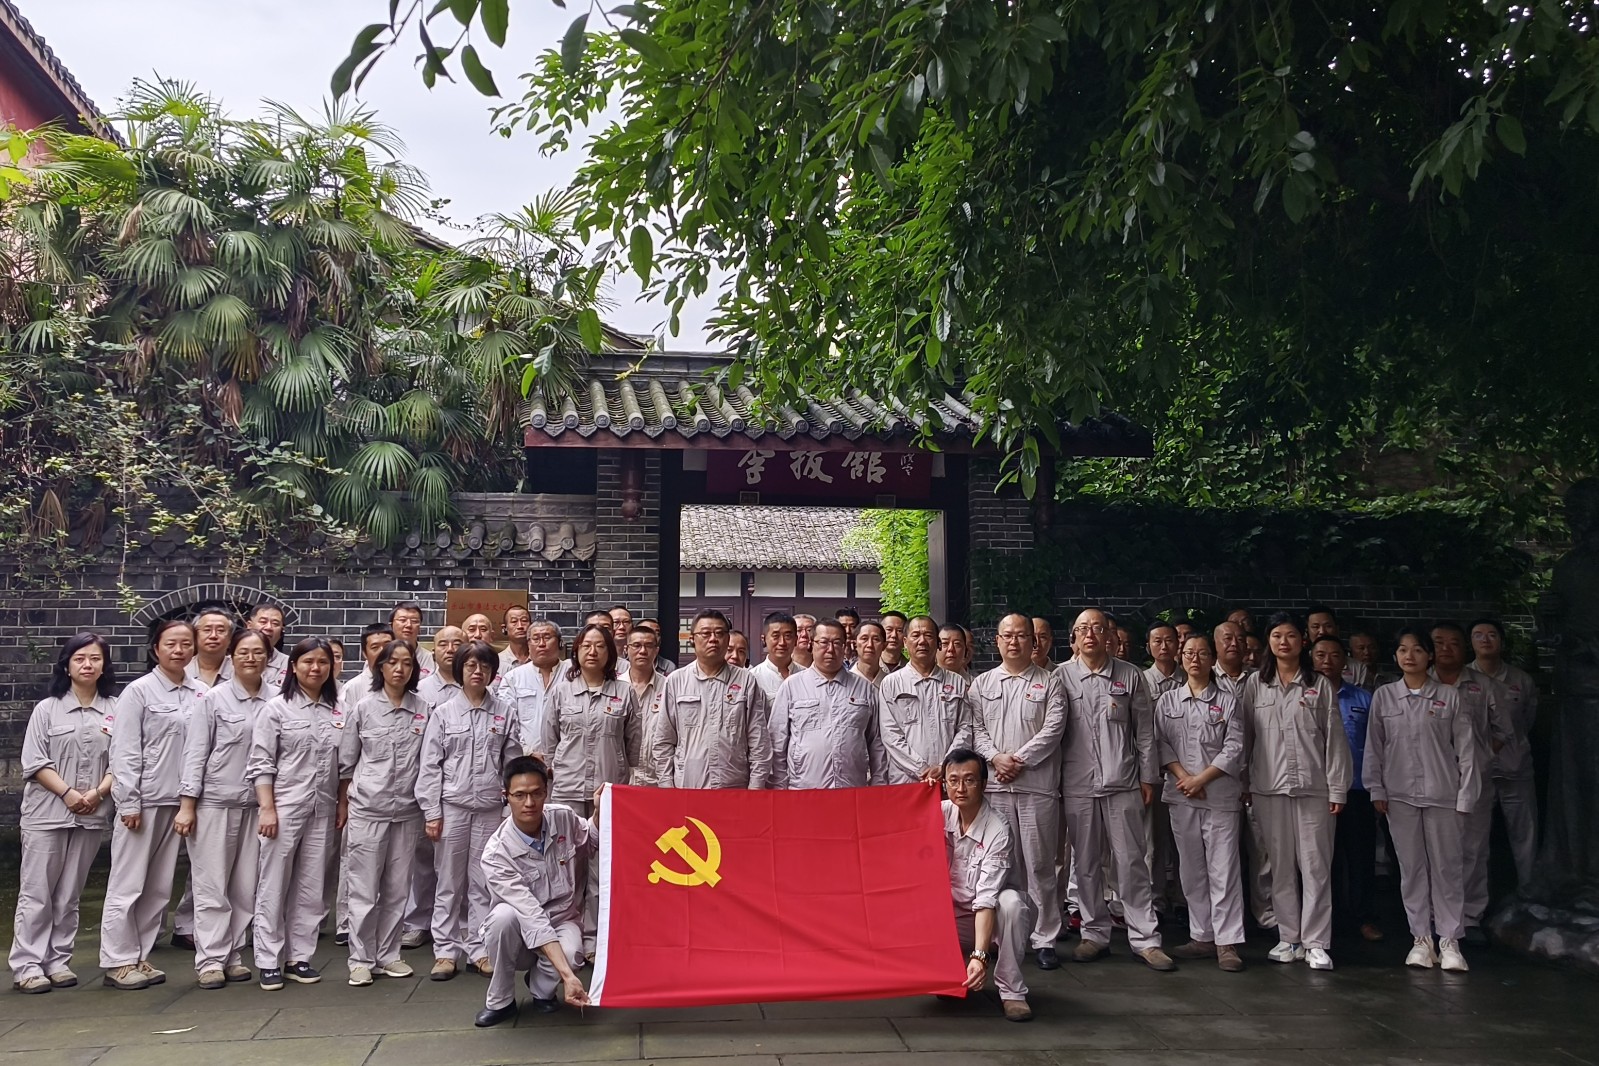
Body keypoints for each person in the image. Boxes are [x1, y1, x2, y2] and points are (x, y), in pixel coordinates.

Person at [1057, 608, 1173, 971]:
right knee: (1086, 862)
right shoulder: (1060, 677)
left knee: (1131, 861)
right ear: (1074, 637)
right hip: (1077, 784)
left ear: (1110, 635)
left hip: (1122, 782)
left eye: (1098, 628)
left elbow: (1145, 732)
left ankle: (1146, 938)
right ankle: (1094, 933)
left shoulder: (1130, 675)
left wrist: (1148, 778)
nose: (1090, 634)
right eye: (1083, 629)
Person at [1240, 612, 1353, 971]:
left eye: (1290, 635)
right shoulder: (1256, 684)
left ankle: (1316, 941)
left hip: (1313, 789)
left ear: (1302, 641)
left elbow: (1335, 739)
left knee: (1316, 866)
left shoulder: (1318, 684)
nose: (1283, 642)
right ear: (1268, 642)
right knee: (1280, 867)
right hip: (1269, 788)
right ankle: (1289, 937)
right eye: (1276, 636)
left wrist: (1337, 789)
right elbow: (1246, 738)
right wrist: (1245, 783)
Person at [100, 619, 206, 990]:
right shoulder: (139, 691)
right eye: (171, 643)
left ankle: (140, 955)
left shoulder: (201, 693)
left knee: (159, 887)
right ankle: (118, 960)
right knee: (127, 883)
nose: (179, 650)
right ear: (155, 648)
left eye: (185, 644)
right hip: (143, 803)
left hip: (179, 802)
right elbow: (125, 750)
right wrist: (128, 801)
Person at [1365, 628, 1479, 972]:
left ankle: (1450, 941)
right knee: (1411, 870)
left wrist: (1466, 797)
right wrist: (1376, 789)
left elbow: (1467, 750)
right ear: (1396, 656)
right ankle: (1421, 940)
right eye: (1402, 650)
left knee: (1447, 868)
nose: (1409, 656)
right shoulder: (1385, 696)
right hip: (1399, 796)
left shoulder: (1449, 696)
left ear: (1429, 656)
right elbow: (1375, 747)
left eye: (1417, 650)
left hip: (1443, 795)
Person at [9, 633, 117, 994]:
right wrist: (68, 793)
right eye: (80, 658)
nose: (88, 665)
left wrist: (97, 793)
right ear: (67, 665)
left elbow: (123, 760)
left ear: (104, 666)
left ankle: (58, 960)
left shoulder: (116, 709)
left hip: (91, 813)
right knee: (37, 892)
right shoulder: (47, 709)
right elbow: (35, 761)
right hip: (46, 813)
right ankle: (28, 965)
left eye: (95, 659)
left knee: (70, 893)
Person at [968, 614, 1067, 966]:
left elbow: (1053, 730)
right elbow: (976, 729)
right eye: (1007, 636)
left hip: (1036, 787)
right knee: (1000, 864)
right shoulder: (981, 684)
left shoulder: (1051, 683)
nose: (1014, 642)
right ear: (997, 641)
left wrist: (1017, 760)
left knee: (1041, 864)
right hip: (995, 788)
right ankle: (1003, 936)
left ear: (1033, 641)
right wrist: (996, 758)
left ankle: (1044, 937)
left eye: (1022, 636)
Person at [419, 640, 520, 980]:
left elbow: (511, 765)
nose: (478, 672)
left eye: (485, 666)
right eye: (471, 666)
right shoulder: (444, 712)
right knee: (448, 882)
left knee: (483, 881)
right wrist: (432, 812)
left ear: (493, 672)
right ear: (460, 669)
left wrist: (508, 810)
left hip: (490, 809)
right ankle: (445, 952)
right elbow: (430, 766)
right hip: (453, 808)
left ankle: (479, 949)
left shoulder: (505, 712)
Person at [176, 629, 271, 988]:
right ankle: (211, 960)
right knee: (212, 885)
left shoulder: (277, 699)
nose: (251, 658)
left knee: (246, 886)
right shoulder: (212, 699)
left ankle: (234, 954)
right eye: (244, 652)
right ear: (232, 656)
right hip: (215, 803)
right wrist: (187, 805)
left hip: (256, 806)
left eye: (258, 652)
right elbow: (195, 753)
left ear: (268, 657)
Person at [540, 624, 639, 958]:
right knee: (567, 865)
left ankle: (595, 939)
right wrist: (560, 768)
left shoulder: (624, 693)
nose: (592, 651)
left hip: (607, 792)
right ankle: (565, 936)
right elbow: (549, 741)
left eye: (600, 646)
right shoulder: (561, 692)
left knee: (600, 868)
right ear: (576, 651)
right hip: (567, 790)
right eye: (586, 645)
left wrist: (618, 772)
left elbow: (634, 744)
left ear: (611, 653)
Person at [473, 757, 596, 1027]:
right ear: (506, 796)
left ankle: (541, 989)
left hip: (562, 918)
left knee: (572, 954)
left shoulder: (563, 816)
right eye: (519, 795)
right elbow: (530, 914)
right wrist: (568, 977)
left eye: (536, 793)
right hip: (519, 928)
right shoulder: (496, 853)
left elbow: (591, 840)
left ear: (546, 792)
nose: (529, 803)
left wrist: (599, 811)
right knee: (501, 918)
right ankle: (500, 1001)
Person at [247, 637, 341, 990]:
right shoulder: (276, 708)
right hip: (284, 807)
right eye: (308, 662)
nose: (315, 668)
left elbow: (345, 764)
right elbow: (261, 762)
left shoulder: (338, 709)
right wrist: (267, 808)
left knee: (312, 886)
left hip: (323, 808)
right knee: (274, 883)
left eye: (323, 662)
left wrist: (341, 804)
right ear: (293, 666)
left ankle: (299, 957)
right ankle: (268, 959)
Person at [338, 638, 427, 986]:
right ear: (380, 667)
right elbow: (347, 763)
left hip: (407, 811)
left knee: (397, 887)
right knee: (363, 888)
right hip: (368, 809)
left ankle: (389, 954)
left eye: (407, 663)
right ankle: (360, 958)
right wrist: (345, 803)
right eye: (393, 662)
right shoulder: (363, 708)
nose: (399, 669)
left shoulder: (423, 708)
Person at [1156, 633, 1247, 972]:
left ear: (1212, 659)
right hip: (1182, 794)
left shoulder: (1229, 700)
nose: (1195, 659)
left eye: (1202, 653)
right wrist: (1184, 777)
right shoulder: (1167, 701)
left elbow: (1235, 747)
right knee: (1191, 869)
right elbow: (1160, 743)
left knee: (1223, 868)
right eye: (1189, 653)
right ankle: (1202, 935)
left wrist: (1202, 779)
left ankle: (1227, 942)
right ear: (1181, 658)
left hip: (1218, 794)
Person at [1430, 621, 1512, 942]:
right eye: (1438, 642)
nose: (1446, 648)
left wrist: (1483, 758)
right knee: (1435, 851)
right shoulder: (1422, 683)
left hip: (1474, 780)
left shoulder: (1483, 685)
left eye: (1453, 642)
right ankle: (1436, 916)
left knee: (1474, 850)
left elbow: (1503, 729)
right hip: (1432, 779)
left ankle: (1470, 917)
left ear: (1464, 647)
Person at [941, 749, 1033, 1021]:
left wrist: (980, 954)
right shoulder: (939, 812)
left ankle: (1012, 991)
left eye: (969, 780)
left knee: (1011, 903)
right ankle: (951, 972)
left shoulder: (998, 829)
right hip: (952, 917)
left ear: (983, 784)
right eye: (953, 780)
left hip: (992, 920)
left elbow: (986, 899)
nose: (960, 788)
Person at [653, 610, 770, 789]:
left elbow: (759, 741)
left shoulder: (746, 681)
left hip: (734, 787)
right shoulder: (676, 681)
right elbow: (663, 741)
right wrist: (667, 788)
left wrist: (755, 789)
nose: (713, 639)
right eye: (706, 633)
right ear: (692, 639)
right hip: (688, 787)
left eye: (720, 633)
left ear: (727, 639)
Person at [400, 624, 464, 951]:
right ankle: (417, 922)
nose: (450, 649)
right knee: (423, 861)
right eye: (443, 644)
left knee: (459, 866)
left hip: (461, 790)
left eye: (457, 643)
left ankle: (461, 926)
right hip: (423, 786)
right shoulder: (420, 691)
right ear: (433, 650)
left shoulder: (479, 686)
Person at [1313, 636, 1382, 943]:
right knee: (1321, 860)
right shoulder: (1304, 696)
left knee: (1360, 857)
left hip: (1356, 789)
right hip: (1317, 792)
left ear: (1345, 660)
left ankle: (1364, 917)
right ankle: (1328, 920)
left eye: (1334, 655)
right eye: (1320, 655)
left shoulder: (1363, 698)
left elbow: (1376, 744)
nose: (1327, 661)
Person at [770, 618, 887, 788]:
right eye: (824, 642)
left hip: (852, 789)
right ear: (812, 644)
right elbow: (777, 742)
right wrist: (780, 788)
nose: (830, 649)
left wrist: (879, 784)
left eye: (837, 643)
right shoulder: (792, 686)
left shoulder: (864, 689)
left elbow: (877, 743)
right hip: (804, 789)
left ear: (845, 646)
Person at [1468, 618, 1539, 890]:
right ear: (1470, 642)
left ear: (1502, 641)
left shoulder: (1521, 679)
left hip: (1515, 766)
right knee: (1475, 837)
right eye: (1478, 635)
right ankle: (1477, 899)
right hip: (1476, 770)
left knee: (1525, 832)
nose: (1485, 640)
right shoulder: (1463, 678)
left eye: (1492, 634)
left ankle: (1529, 889)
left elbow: (1527, 720)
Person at [879, 616, 972, 785]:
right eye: (916, 635)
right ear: (905, 642)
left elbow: (965, 728)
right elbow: (890, 735)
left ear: (938, 643)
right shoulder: (891, 683)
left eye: (928, 635)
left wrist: (945, 766)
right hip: (906, 780)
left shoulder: (956, 682)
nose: (922, 641)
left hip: (949, 778)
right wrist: (921, 769)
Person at [504, 621, 562, 751]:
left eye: (547, 638)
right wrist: (527, 752)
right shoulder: (513, 678)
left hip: (566, 757)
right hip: (525, 757)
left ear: (559, 642)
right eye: (535, 639)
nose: (541, 644)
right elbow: (507, 720)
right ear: (528, 645)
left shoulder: (572, 675)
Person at [621, 626, 668, 785]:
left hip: (657, 779)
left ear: (656, 650)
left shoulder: (669, 687)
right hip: (622, 780)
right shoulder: (614, 688)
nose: (642, 651)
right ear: (626, 649)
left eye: (648, 646)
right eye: (636, 645)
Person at [1307, 605, 1371, 689]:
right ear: (1307, 630)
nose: (1322, 631)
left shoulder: (1358, 668)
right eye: (1315, 627)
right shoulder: (1298, 665)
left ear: (1337, 629)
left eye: (1328, 626)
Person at [340, 623, 395, 710]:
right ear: (365, 654)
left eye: (387, 646)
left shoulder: (405, 683)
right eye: (375, 647)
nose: (382, 651)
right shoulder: (352, 688)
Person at [750, 611, 799, 701]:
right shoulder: (753, 677)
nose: (782, 643)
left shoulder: (806, 675)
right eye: (776, 636)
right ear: (764, 639)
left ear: (796, 640)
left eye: (788, 636)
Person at [186, 608, 236, 688]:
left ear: (230, 638)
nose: (213, 636)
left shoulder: (240, 670)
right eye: (207, 630)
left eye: (220, 630)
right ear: (195, 636)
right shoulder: (182, 669)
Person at [246, 604, 290, 689]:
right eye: (263, 622)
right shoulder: (232, 661)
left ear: (282, 630)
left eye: (275, 624)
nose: (269, 627)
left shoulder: (289, 665)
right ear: (249, 625)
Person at [390, 601, 435, 675]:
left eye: (414, 621)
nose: (408, 625)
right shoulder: (382, 656)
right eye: (402, 620)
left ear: (420, 627)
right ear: (391, 625)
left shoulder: (430, 659)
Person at [1143, 622, 1182, 701]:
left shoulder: (1189, 678)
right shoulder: (1142, 680)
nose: (1164, 647)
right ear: (1148, 646)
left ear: (1178, 644)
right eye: (1158, 641)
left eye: (1169, 640)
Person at [1212, 622, 1249, 694]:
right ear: (1215, 644)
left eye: (1240, 639)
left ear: (1246, 646)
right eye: (1228, 638)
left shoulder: (1258, 676)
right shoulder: (1205, 677)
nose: (1234, 643)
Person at [499, 606, 534, 676]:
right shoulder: (498, 661)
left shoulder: (540, 659)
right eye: (514, 621)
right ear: (504, 628)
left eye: (524, 621)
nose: (520, 626)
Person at [852, 620, 888, 686]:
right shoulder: (846, 681)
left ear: (884, 646)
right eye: (864, 639)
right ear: (855, 644)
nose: (870, 645)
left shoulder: (890, 682)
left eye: (876, 639)